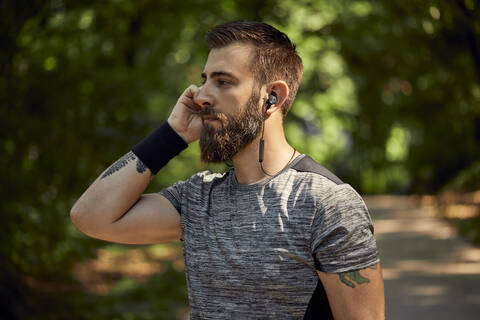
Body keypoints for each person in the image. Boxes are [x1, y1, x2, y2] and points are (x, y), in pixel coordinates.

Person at [71, 20, 385, 319]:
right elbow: (90, 217)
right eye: (205, 80)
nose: (202, 95)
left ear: (272, 97)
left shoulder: (328, 204)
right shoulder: (197, 199)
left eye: (223, 82)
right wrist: (172, 134)